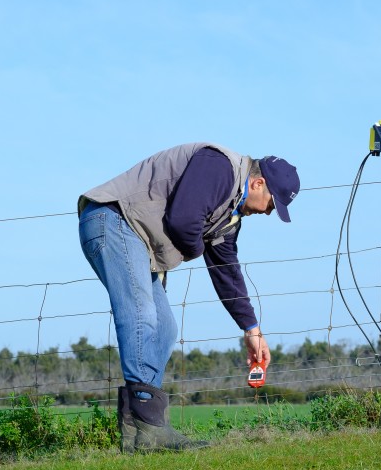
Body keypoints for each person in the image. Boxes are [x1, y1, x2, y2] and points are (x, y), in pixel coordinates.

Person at [77, 143, 300, 453]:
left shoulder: (230, 217)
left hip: (135, 238)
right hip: (113, 219)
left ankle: (138, 434)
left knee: (165, 328)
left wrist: (252, 329)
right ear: (258, 183)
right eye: (272, 204)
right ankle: (150, 426)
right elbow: (183, 221)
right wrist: (198, 248)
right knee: (141, 315)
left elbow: (225, 270)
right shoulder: (219, 166)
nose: (268, 212)